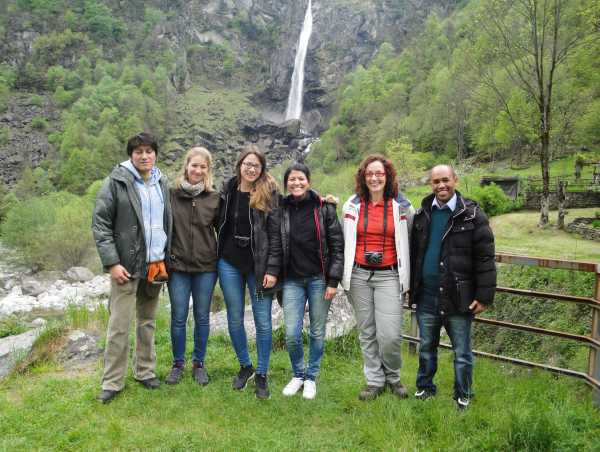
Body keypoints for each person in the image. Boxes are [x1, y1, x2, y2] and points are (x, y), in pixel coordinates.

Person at [92, 132, 172, 404]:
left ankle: (145, 372)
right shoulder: (115, 182)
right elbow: (101, 225)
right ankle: (112, 382)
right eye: (139, 151)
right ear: (131, 154)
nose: (144, 156)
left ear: (156, 154)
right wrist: (112, 262)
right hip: (125, 266)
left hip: (155, 264)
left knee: (147, 323)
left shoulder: (162, 182)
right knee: (119, 326)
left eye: (149, 151)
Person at [410, 164, 496, 411]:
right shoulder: (422, 213)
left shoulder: (472, 215)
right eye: (436, 181)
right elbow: (416, 254)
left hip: (460, 295)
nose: (441, 185)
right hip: (426, 295)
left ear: (455, 180)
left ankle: (463, 394)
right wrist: (412, 286)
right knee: (426, 347)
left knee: (462, 352)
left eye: (445, 180)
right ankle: (425, 388)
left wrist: (484, 296)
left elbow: (485, 258)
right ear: (431, 184)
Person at [267, 162, 344, 400]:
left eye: (301, 179)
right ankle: (298, 374)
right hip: (291, 280)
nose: (296, 183)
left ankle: (311, 377)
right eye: (292, 180)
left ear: (308, 181)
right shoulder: (281, 209)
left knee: (317, 332)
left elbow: (337, 246)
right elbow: (277, 245)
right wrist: (271, 270)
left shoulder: (324, 208)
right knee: (291, 333)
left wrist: (334, 280)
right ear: (286, 183)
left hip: (319, 280)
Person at [341, 154, 414, 401]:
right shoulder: (351, 205)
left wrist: (410, 279)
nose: (374, 178)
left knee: (390, 334)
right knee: (367, 331)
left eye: (379, 173)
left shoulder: (402, 207)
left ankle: (393, 377)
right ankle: (375, 381)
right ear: (363, 176)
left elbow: (411, 241)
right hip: (359, 275)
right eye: (369, 173)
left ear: (388, 176)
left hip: (389, 276)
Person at [217, 144, 280, 400]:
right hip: (229, 263)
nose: (251, 168)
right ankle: (246, 366)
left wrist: (273, 269)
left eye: (256, 165)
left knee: (263, 322)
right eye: (247, 164)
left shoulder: (269, 192)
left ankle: (262, 373)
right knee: (234, 318)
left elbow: (276, 234)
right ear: (239, 165)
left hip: (260, 267)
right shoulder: (228, 189)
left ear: (261, 168)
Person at [165, 147, 220, 386]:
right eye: (194, 165)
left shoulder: (214, 198)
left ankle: (199, 363)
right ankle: (178, 364)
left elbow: (224, 231)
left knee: (202, 317)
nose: (197, 170)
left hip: (206, 268)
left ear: (208, 170)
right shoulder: (171, 195)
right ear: (186, 166)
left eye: (202, 167)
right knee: (178, 317)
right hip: (177, 268)